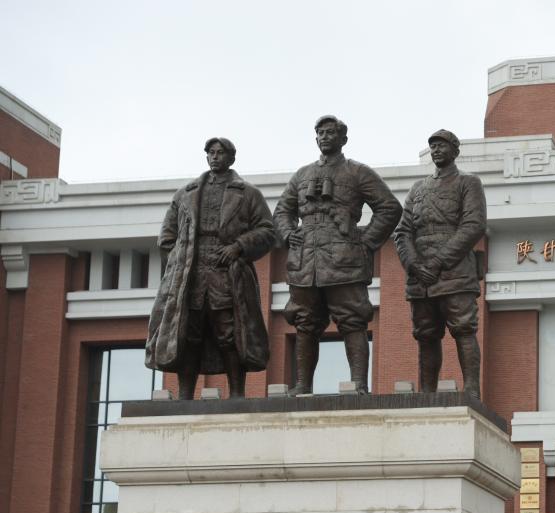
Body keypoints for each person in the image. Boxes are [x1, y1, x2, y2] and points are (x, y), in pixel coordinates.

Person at [274, 115, 401, 395]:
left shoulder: (357, 172)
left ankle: (358, 384)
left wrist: (365, 241)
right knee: (305, 322)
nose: (325, 137)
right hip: (305, 261)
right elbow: (282, 210)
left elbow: (389, 208)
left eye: (331, 132)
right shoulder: (302, 175)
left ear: (343, 138)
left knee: (352, 319)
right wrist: (287, 233)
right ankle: (302, 385)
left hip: (344, 258)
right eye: (320, 133)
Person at [146, 137, 275, 399]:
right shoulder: (185, 194)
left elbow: (267, 231)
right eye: (211, 152)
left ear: (232, 158)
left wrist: (238, 247)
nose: (215, 156)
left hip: (228, 276)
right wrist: (182, 261)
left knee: (230, 334)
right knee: (188, 334)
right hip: (191, 278)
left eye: (221, 152)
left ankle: (237, 394)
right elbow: (166, 238)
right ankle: (184, 395)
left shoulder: (248, 193)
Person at [393, 129, 486, 399]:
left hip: (455, 271)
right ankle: (427, 392)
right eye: (432, 146)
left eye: (442, 145)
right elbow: (402, 232)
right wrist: (413, 264)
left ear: (455, 151)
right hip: (420, 277)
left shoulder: (468, 183)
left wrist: (438, 261)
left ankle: (471, 389)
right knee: (426, 334)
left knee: (463, 329)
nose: (436, 150)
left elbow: (473, 225)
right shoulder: (418, 189)